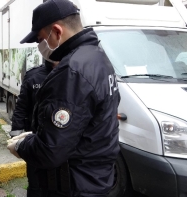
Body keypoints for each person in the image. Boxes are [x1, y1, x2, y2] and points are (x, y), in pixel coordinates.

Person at [7, 0, 121, 196]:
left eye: (42, 38)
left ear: (57, 32)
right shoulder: (98, 57)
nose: (41, 46)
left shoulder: (71, 71)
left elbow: (51, 150)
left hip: (71, 184)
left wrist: (21, 145)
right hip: (95, 178)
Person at [10, 60, 56, 197]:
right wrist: (15, 139)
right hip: (37, 141)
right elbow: (21, 108)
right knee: (35, 184)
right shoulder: (33, 76)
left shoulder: (70, 72)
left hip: (60, 141)